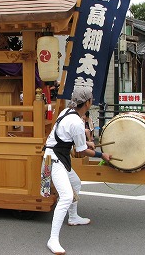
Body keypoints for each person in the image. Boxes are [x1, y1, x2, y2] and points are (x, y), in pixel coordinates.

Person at [43, 86, 111, 254]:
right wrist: (101, 155)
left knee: (76, 182)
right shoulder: (77, 123)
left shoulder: (66, 112)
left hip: (54, 156)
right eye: (92, 99)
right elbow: (80, 152)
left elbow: (66, 137)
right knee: (66, 196)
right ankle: (53, 239)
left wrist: (86, 143)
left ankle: (73, 217)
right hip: (54, 159)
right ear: (88, 103)